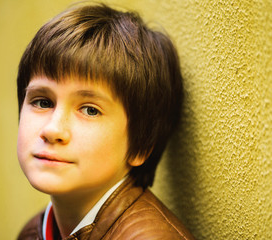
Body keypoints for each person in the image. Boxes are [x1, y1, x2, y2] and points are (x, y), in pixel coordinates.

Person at [17, 3, 195, 240]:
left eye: (90, 110)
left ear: (141, 145)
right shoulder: (35, 232)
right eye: (42, 102)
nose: (52, 130)